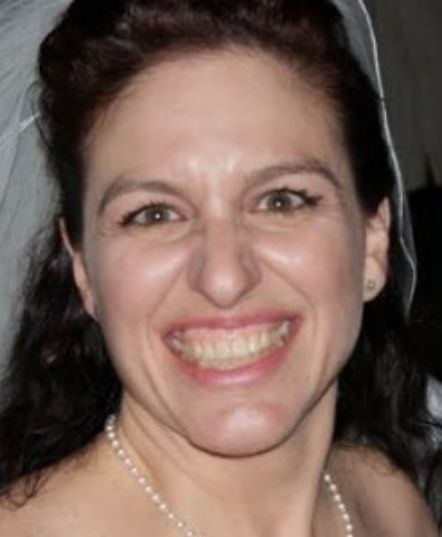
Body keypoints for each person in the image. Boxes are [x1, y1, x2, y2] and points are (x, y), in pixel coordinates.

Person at [0, 0, 440, 535]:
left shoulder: (387, 504)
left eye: (281, 201)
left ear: (372, 240)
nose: (224, 278)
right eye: (154, 214)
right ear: (83, 270)